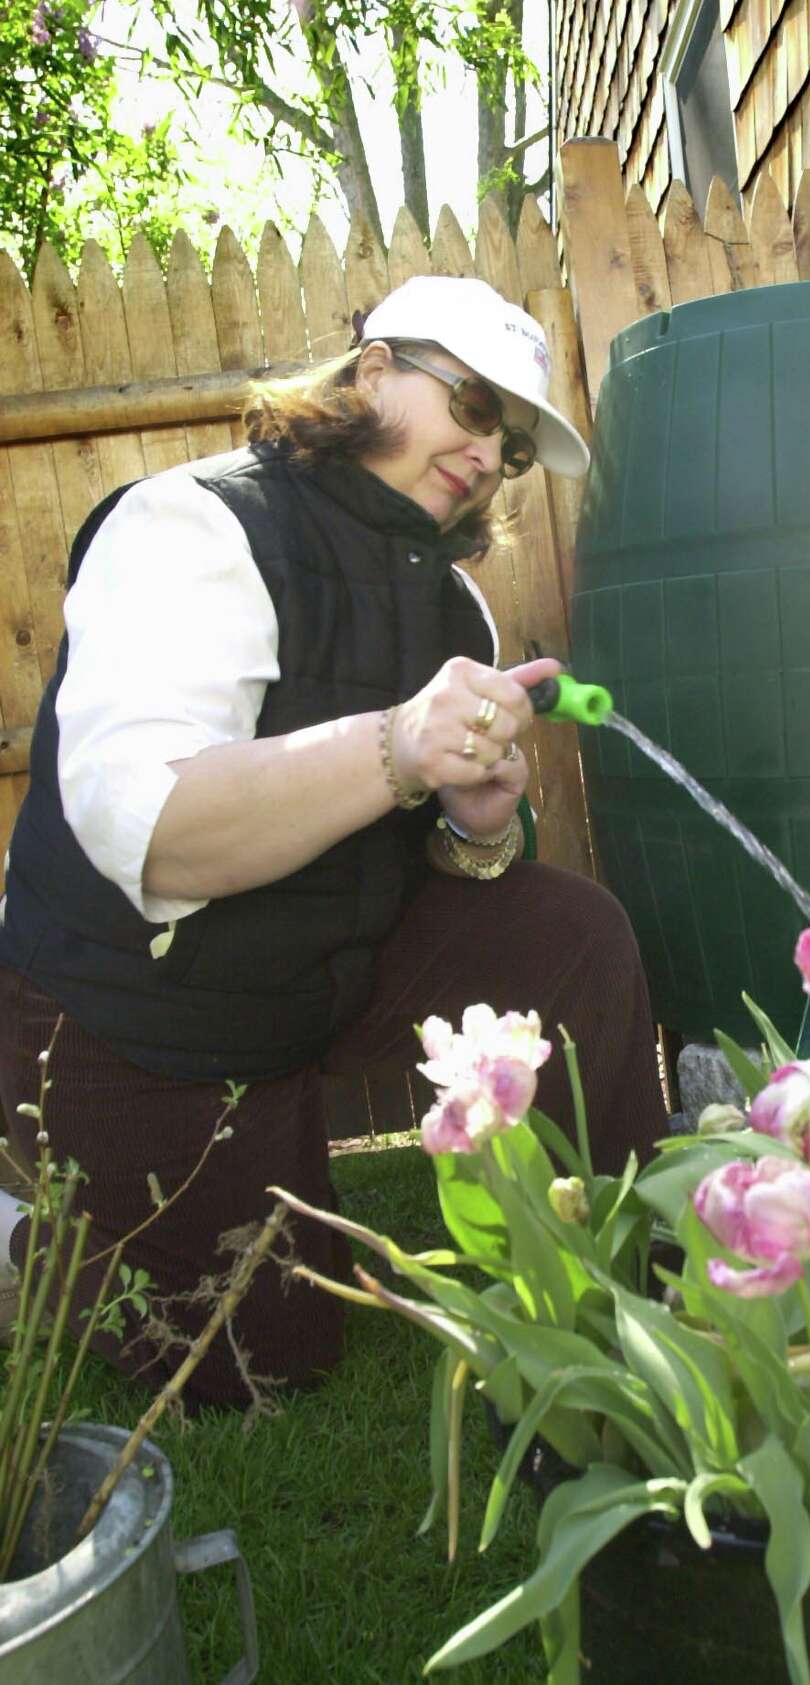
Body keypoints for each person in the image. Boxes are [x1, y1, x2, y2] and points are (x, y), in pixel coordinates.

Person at [0, 275, 667, 1403]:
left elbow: (441, 869)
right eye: (469, 402)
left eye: (508, 442)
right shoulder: (192, 526)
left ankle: (619, 1264)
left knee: (570, 928)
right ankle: (25, 1225)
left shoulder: (456, 611)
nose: (485, 448)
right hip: (136, 1011)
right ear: (371, 373)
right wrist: (400, 747)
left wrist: (477, 826)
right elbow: (150, 835)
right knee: (264, 1365)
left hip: (320, 972)